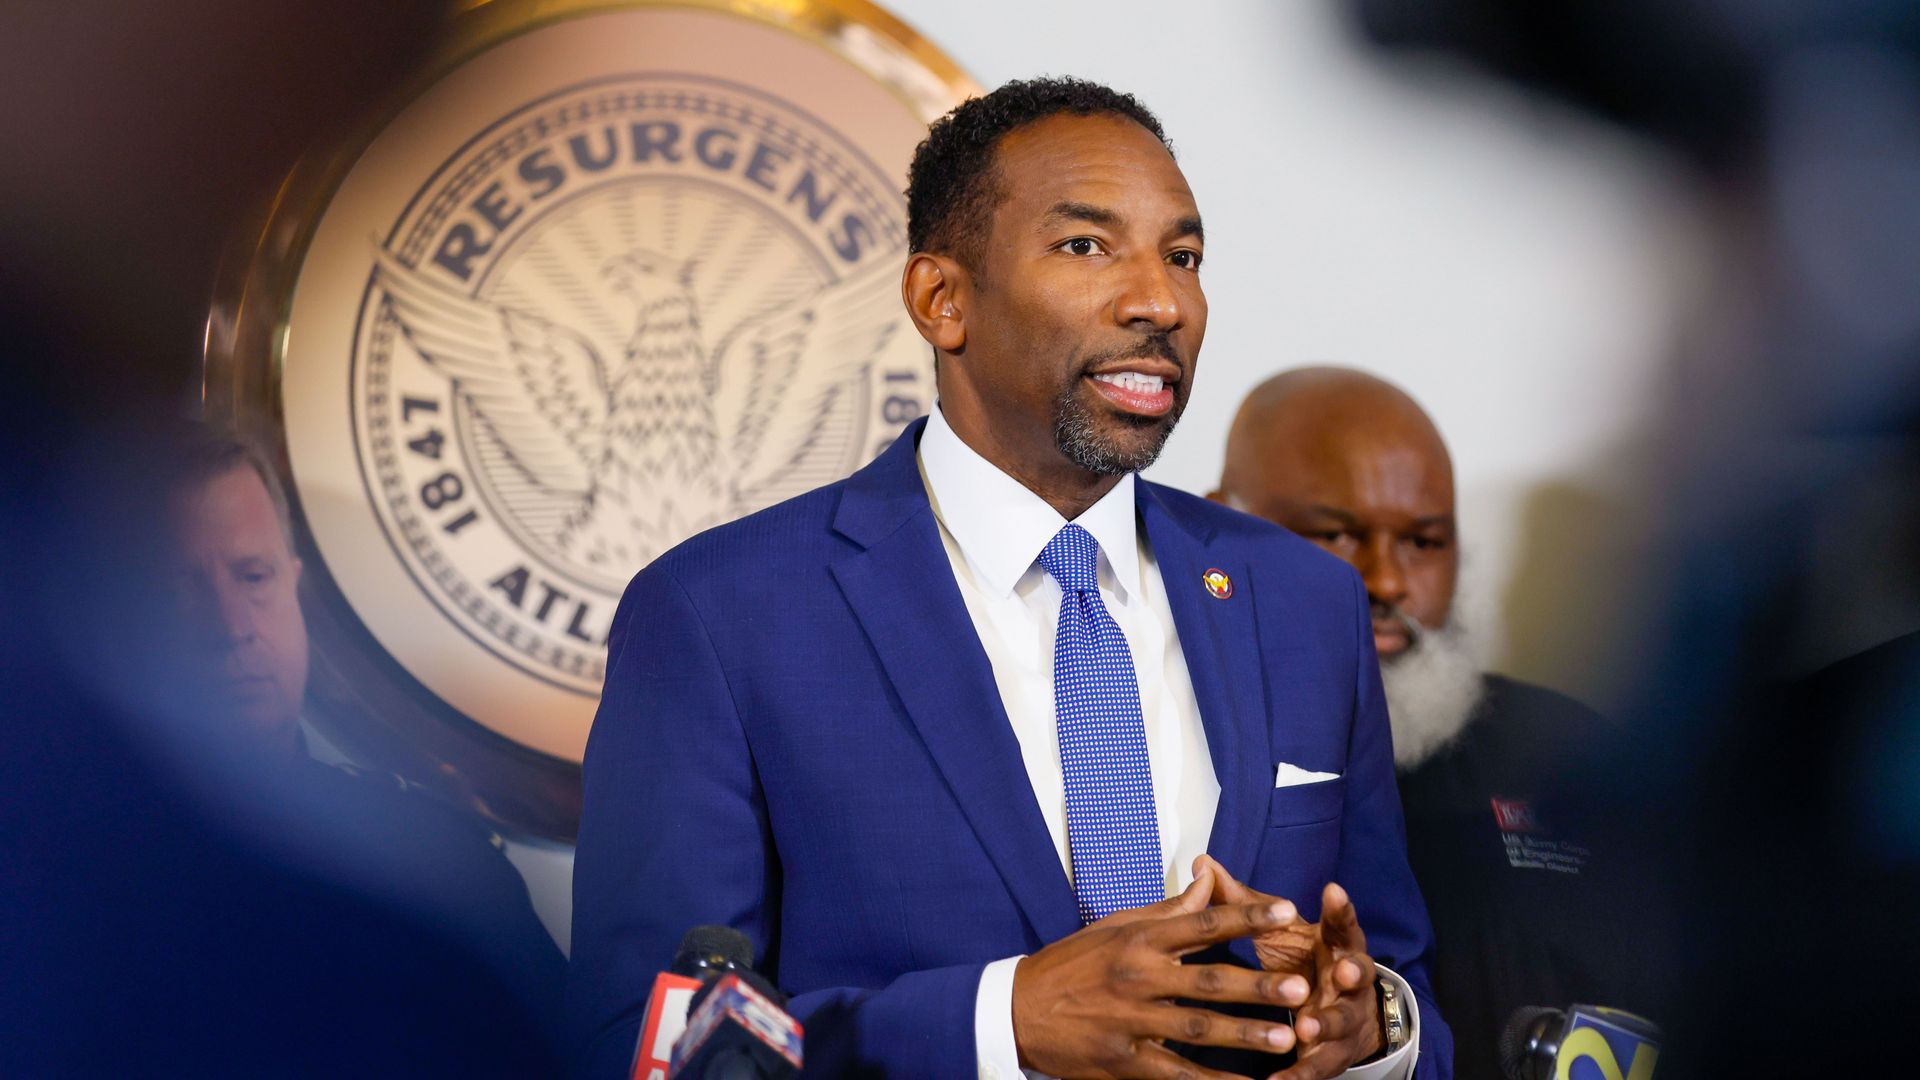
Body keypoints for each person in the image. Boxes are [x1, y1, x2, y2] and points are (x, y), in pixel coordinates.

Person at [570, 79, 1451, 1079]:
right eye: (1086, 246)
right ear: (941, 301)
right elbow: (637, 1044)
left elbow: (1398, 972)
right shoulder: (721, 616)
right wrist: (1002, 1022)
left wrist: (1373, 1030)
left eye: (1184, 256)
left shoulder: (1303, 602)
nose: (1160, 302)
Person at [1212, 368, 1648, 1079]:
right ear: (1222, 521)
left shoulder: (1570, 753)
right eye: (1338, 533)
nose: (1386, 581)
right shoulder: (1170, 749)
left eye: (1423, 542)